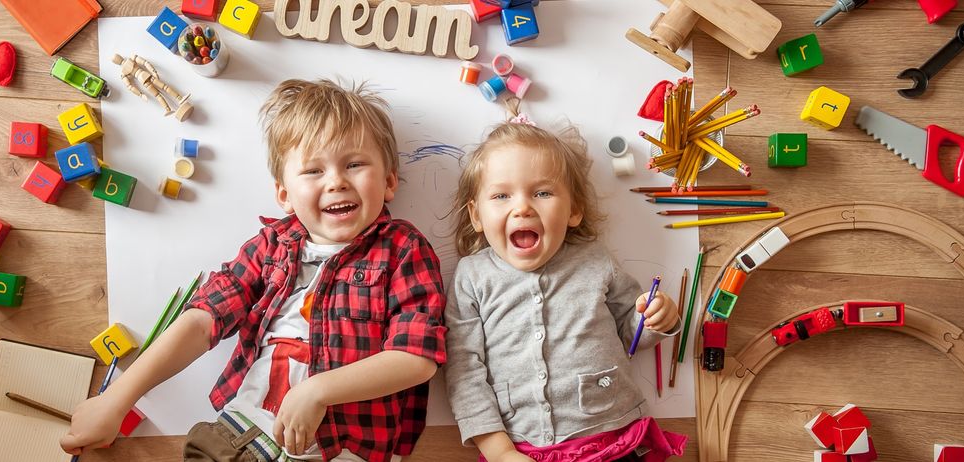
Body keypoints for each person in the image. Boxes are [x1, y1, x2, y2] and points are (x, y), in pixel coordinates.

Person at [61, 79, 448, 462]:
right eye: (313, 171)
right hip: (244, 435)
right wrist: (115, 401)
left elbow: (415, 357)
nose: (336, 181)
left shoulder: (402, 249)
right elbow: (200, 322)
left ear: (389, 181)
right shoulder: (270, 247)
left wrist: (318, 391)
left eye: (355, 164)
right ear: (284, 195)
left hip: (346, 446)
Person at [444, 111, 688, 462]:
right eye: (501, 197)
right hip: (520, 447)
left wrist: (656, 319)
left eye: (542, 192)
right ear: (476, 216)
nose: (523, 207)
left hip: (611, 436)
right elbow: (464, 369)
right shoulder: (471, 276)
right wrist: (497, 450)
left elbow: (631, 333)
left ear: (574, 210)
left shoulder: (595, 260)